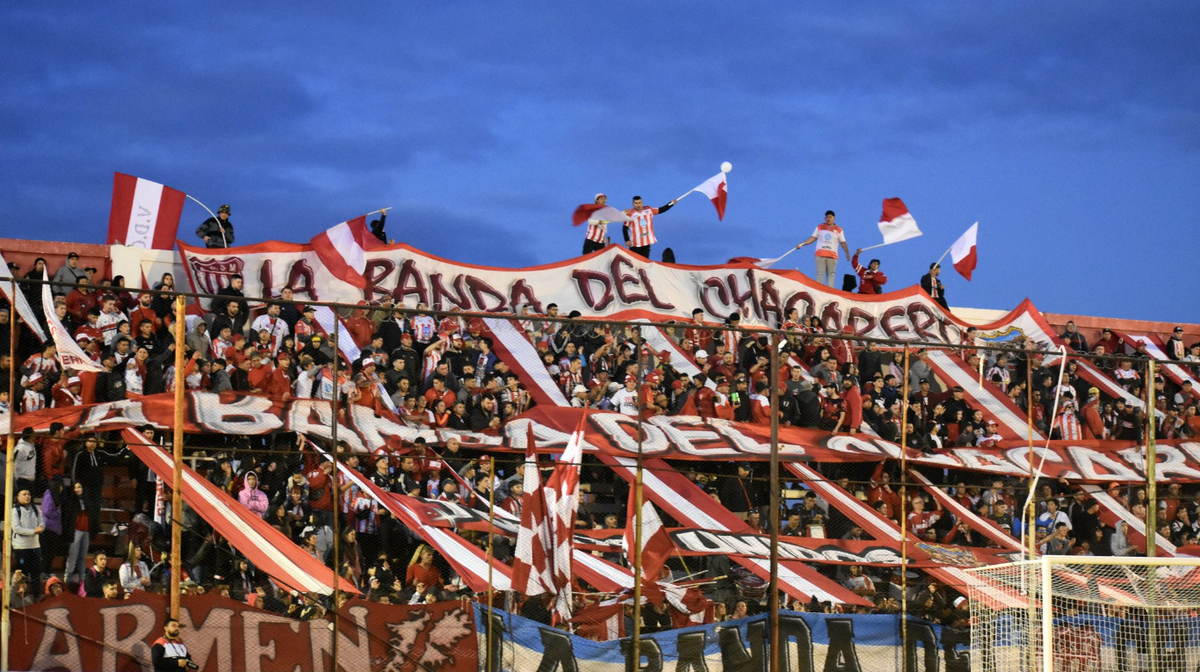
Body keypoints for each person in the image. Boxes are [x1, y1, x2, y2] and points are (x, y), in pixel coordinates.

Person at [794, 210, 850, 287]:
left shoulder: (839, 229)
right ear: (824, 218)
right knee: (820, 274)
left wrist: (847, 253)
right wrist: (802, 244)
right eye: (827, 217)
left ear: (834, 218)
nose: (828, 219)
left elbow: (843, 242)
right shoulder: (820, 227)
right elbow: (813, 238)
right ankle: (819, 290)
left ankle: (830, 291)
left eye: (830, 217)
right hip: (820, 254)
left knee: (831, 274)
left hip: (832, 255)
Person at [11, 488, 45, 592]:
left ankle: (36, 595)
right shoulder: (15, 511)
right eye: (24, 494)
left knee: (36, 572)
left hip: (35, 546)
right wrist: (33, 531)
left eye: (28, 494)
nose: (27, 496)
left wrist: (41, 528)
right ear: (18, 497)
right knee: (23, 573)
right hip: (21, 547)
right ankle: (22, 597)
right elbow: (17, 528)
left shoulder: (36, 508)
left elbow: (42, 522)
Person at [623, 195, 676, 259]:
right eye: (636, 203)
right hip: (634, 245)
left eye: (639, 203)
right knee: (634, 263)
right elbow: (624, 228)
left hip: (646, 244)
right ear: (633, 204)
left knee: (645, 262)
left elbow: (661, 209)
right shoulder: (630, 214)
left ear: (642, 203)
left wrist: (671, 203)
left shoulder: (649, 209)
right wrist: (627, 240)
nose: (638, 205)